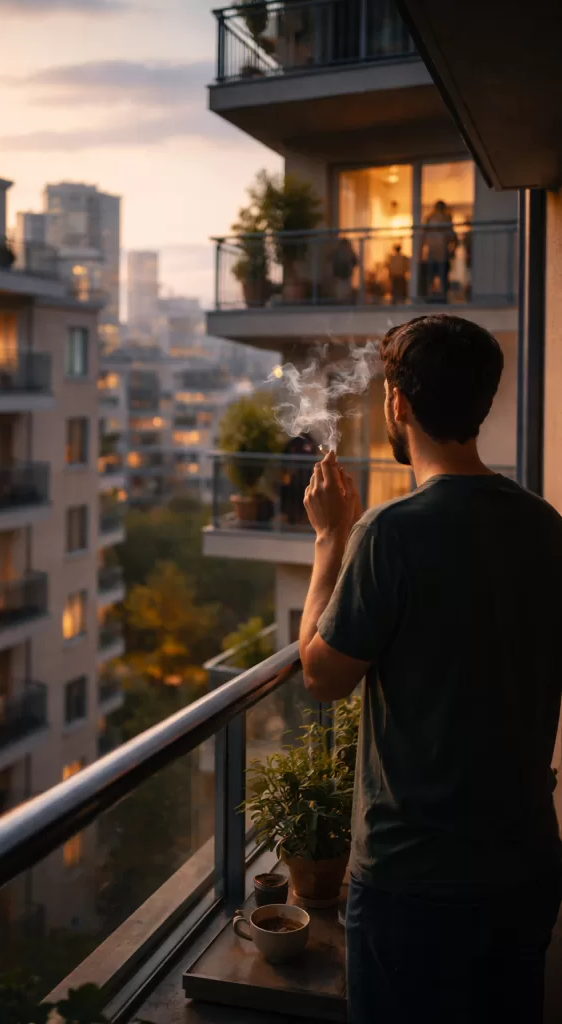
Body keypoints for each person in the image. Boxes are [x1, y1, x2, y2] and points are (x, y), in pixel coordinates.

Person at [298, 314, 562, 1024]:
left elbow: (323, 677)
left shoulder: (389, 532)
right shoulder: (543, 524)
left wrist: (328, 542)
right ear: (480, 403)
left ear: (398, 404)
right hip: (524, 865)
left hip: (414, 881)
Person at [421, 200, 458, 300]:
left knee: (434, 275)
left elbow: (424, 236)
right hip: (438, 252)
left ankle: (435, 295)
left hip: (437, 252)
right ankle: (439, 295)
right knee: (439, 275)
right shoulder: (441, 218)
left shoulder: (436, 218)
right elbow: (452, 236)